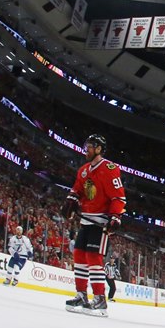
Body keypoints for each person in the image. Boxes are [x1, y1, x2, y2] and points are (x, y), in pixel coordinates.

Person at [62, 133, 126, 316]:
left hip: (100, 222)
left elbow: (118, 196)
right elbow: (77, 189)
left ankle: (100, 300)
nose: (86, 150)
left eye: (90, 146)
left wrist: (115, 217)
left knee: (93, 258)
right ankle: (81, 295)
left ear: (98, 149)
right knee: (79, 256)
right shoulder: (83, 170)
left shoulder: (109, 168)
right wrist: (71, 201)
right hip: (86, 220)